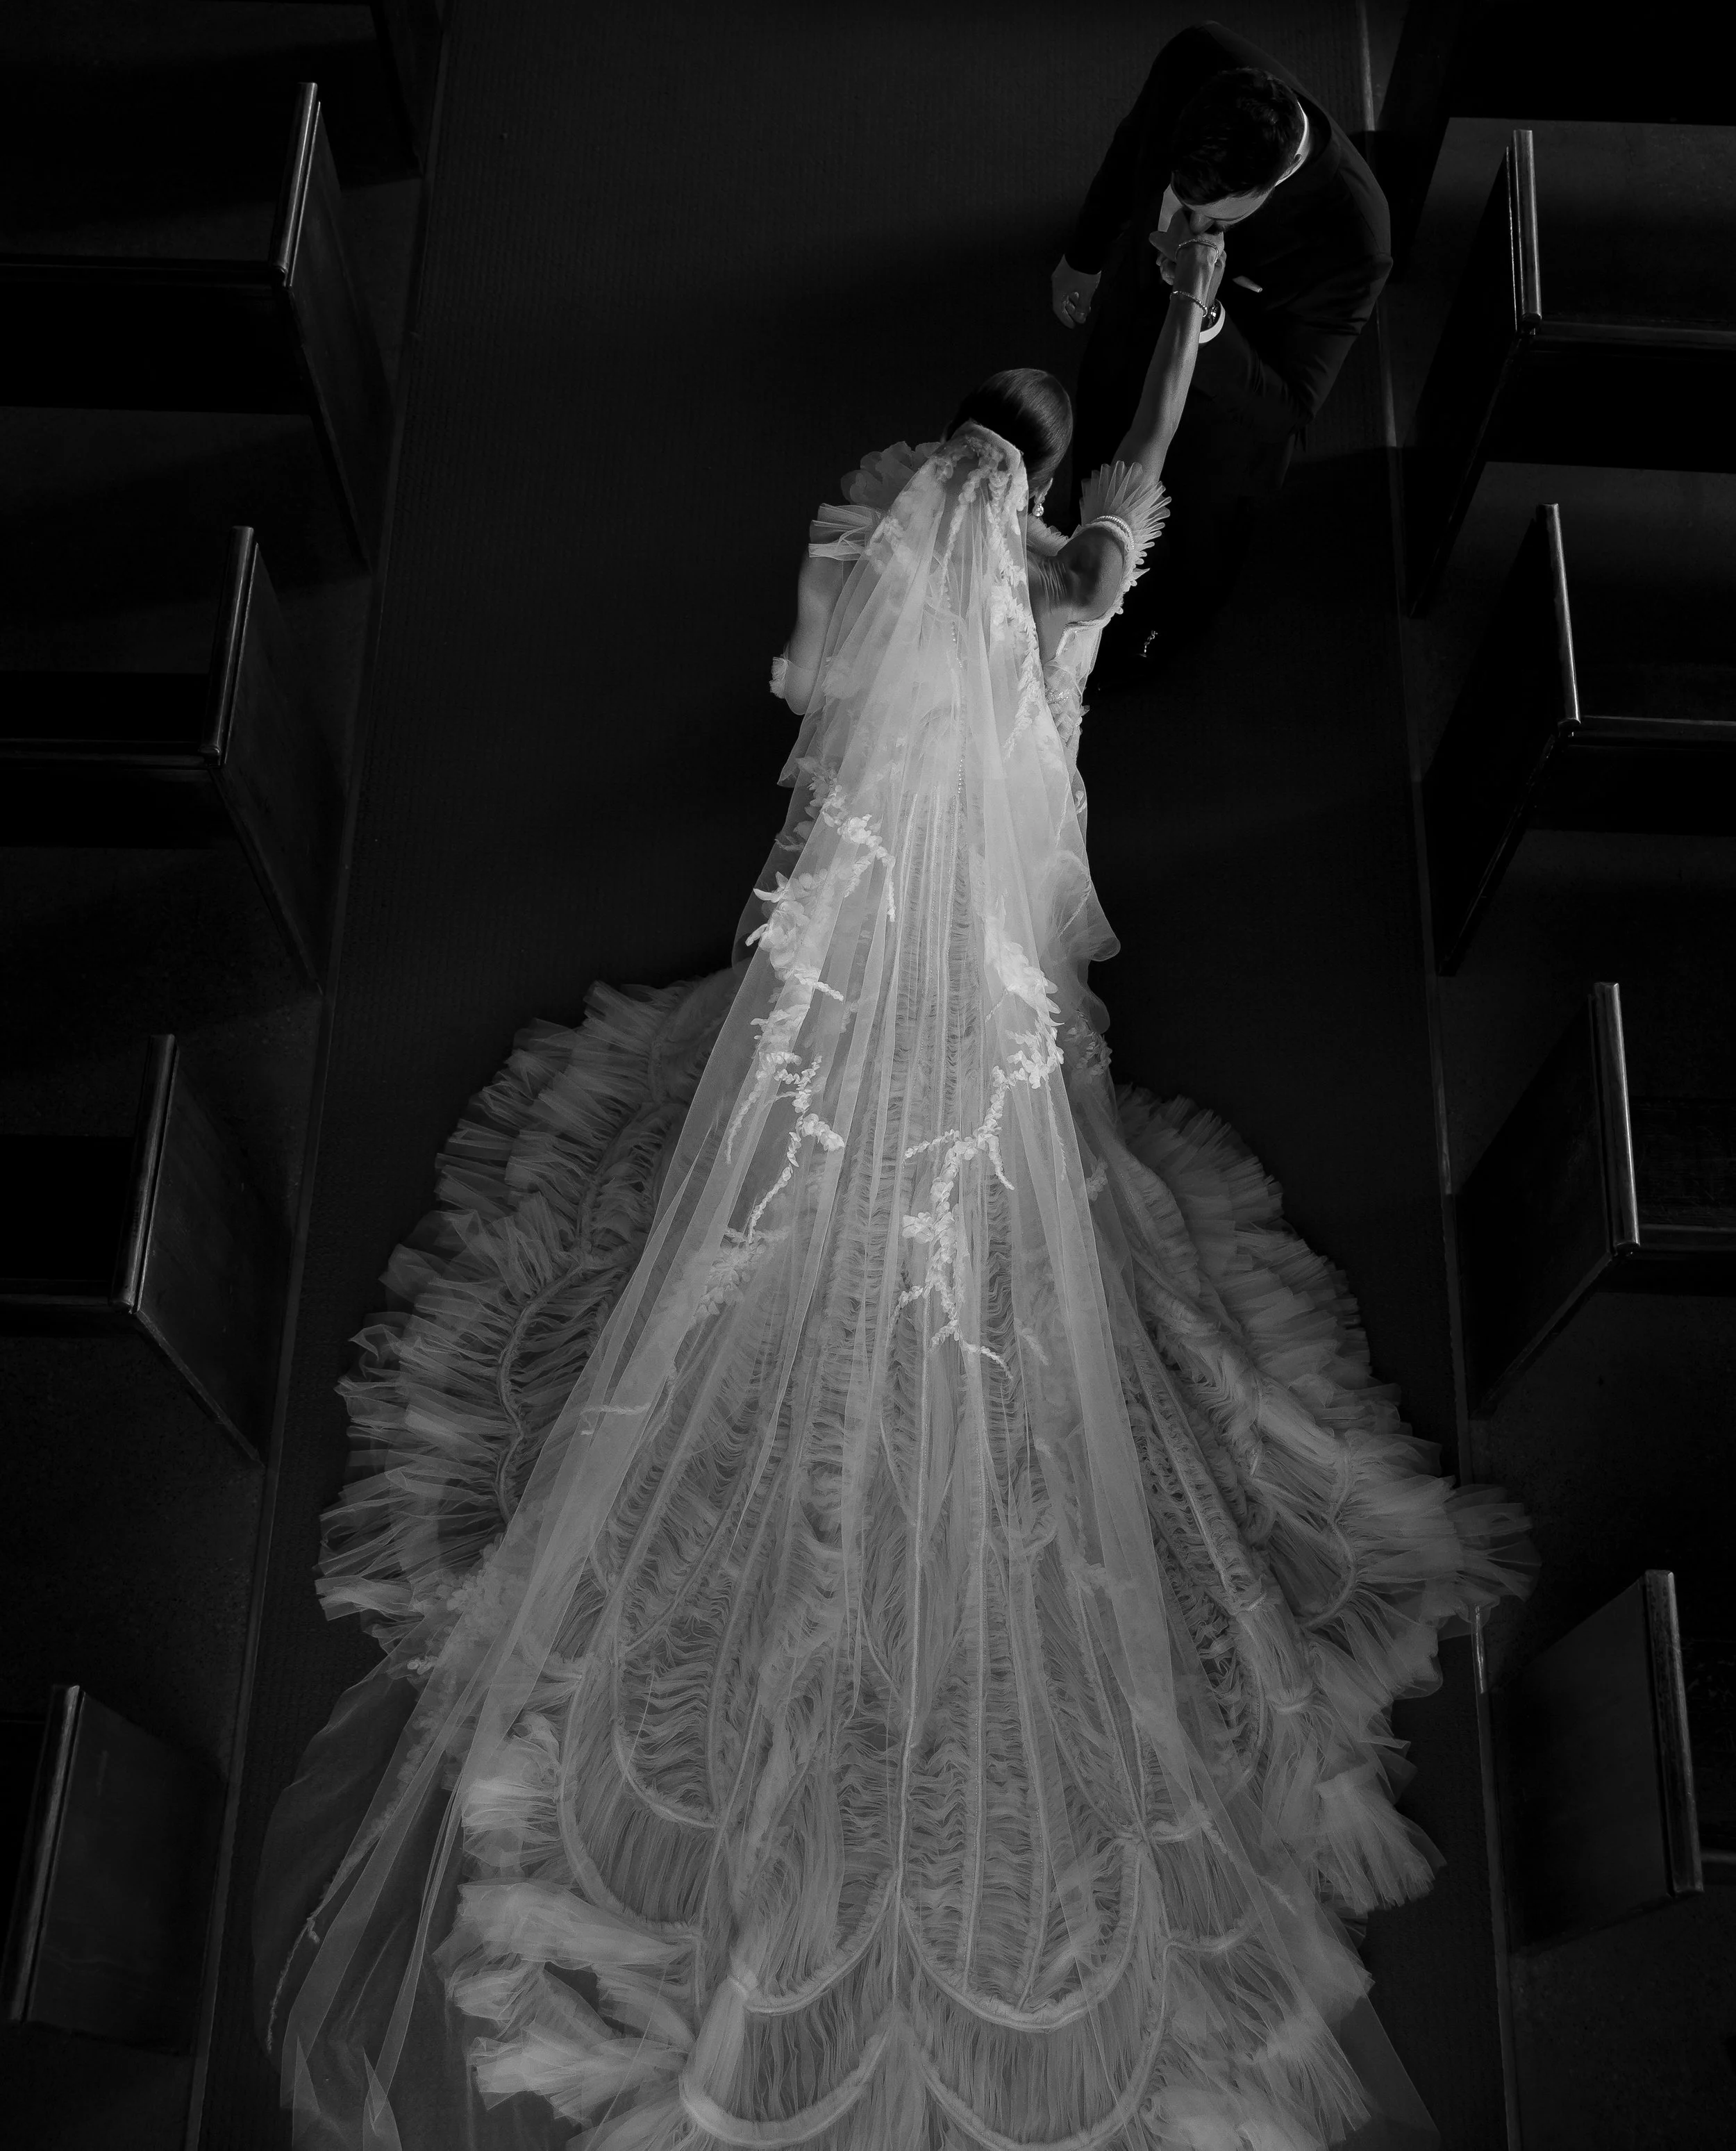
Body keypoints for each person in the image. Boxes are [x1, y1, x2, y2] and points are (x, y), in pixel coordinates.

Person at [253, 238, 1525, 2150]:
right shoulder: (1080, 586)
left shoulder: (876, 569)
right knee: (1032, 1298)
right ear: (1038, 494)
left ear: (936, 481)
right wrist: (1174, 318)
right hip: (991, 1002)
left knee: (780, 1257)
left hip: (862, 975)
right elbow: (1140, 465)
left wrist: (1073, 375)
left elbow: (814, 723)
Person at [1052, 22, 1392, 683]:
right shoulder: (1195, 59)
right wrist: (1084, 256)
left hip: (1217, 432)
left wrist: (1203, 316)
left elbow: (1289, 408)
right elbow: (1132, 145)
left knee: (1185, 562)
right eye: (1181, 199)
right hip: (1124, 335)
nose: (1181, 228)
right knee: (1095, 454)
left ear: (1274, 182)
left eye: (1218, 221)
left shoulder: (1355, 234)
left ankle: (1147, 639)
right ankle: (1077, 584)